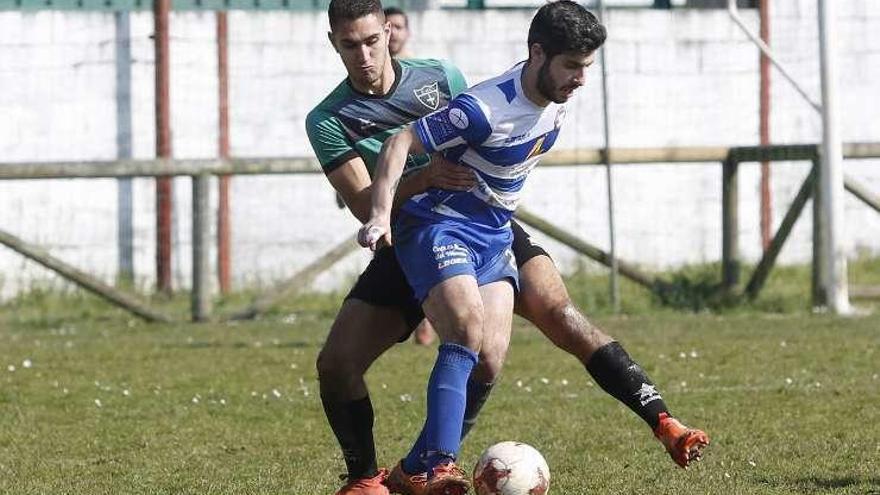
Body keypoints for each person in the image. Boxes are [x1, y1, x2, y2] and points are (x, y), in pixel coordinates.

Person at [307, 1, 708, 494]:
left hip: (486, 225)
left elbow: (490, 130)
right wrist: (426, 177)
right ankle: (368, 478)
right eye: (350, 45)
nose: (364, 55)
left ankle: (660, 419)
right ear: (334, 44)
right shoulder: (329, 118)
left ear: (389, 32)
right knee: (337, 366)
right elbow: (365, 201)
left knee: (544, 320)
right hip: (414, 229)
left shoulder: (441, 76)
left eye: (371, 41)